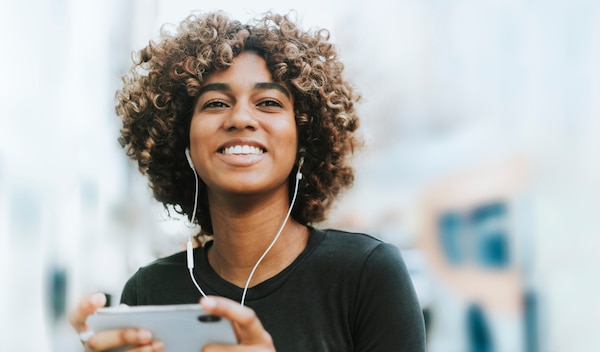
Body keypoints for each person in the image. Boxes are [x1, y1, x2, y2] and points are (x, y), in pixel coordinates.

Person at [69, 10, 426, 351]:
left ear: (305, 137)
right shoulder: (148, 290)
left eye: (268, 102)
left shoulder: (367, 273)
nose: (240, 118)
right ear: (183, 139)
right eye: (215, 104)